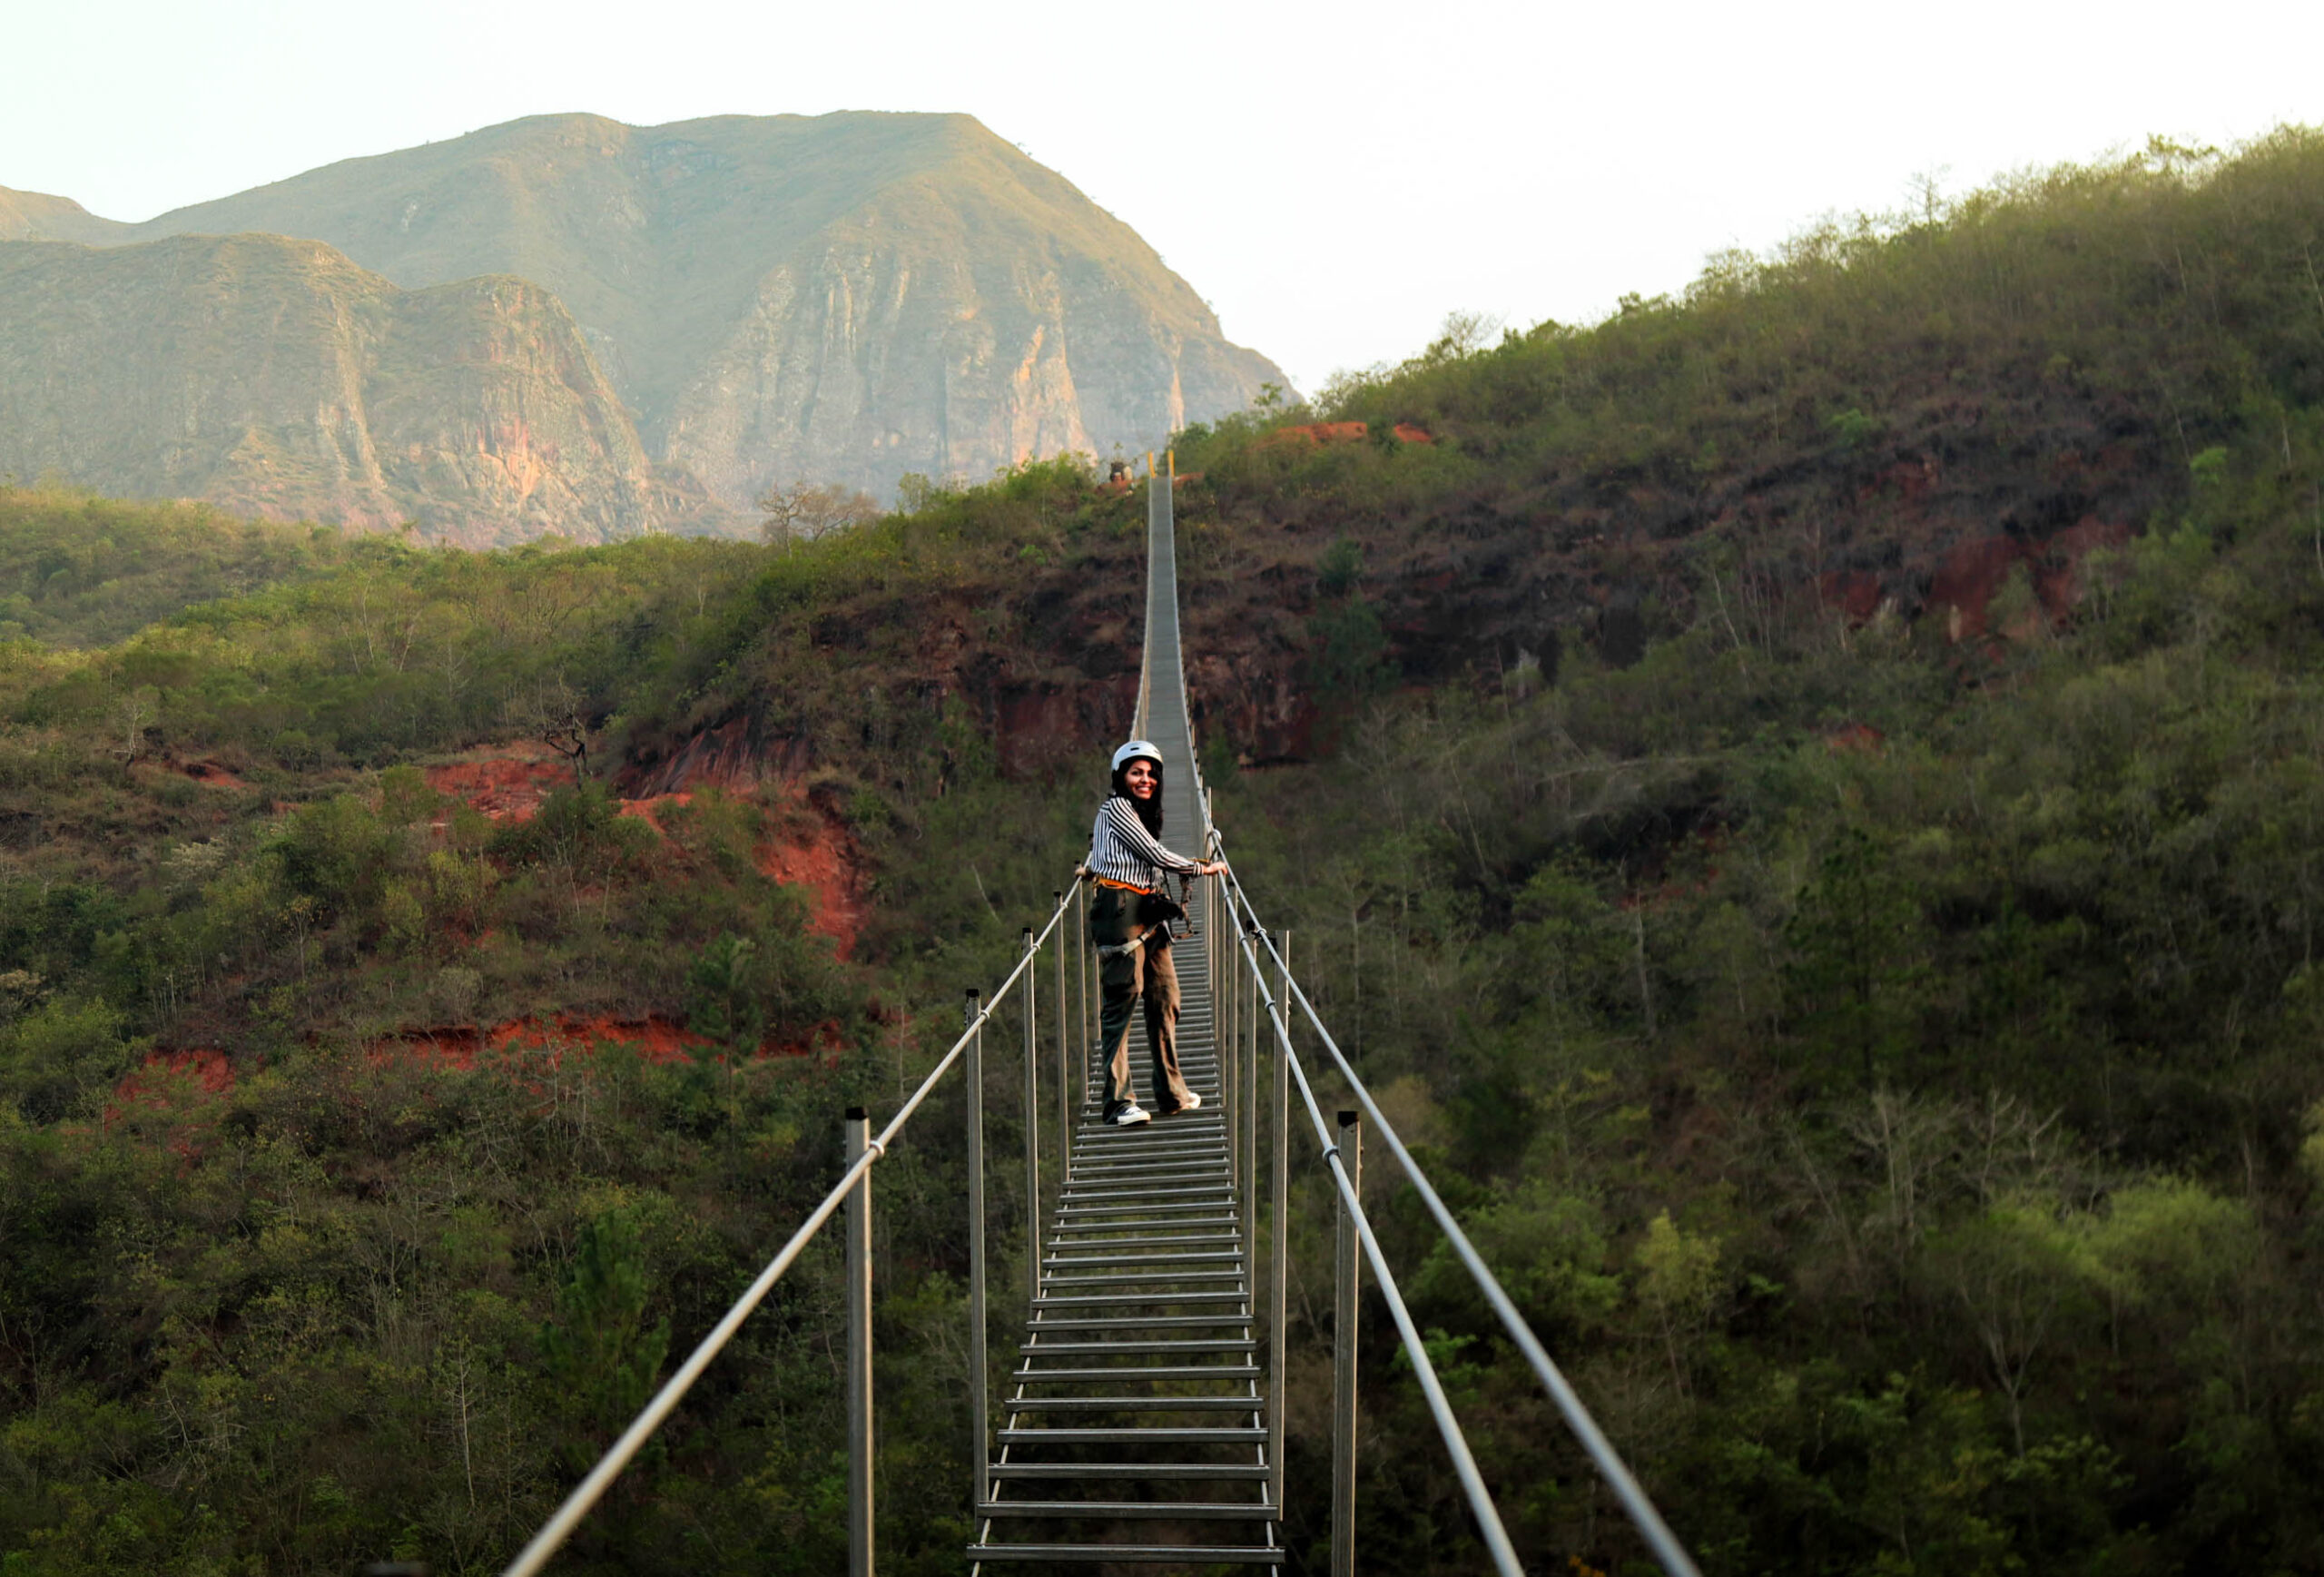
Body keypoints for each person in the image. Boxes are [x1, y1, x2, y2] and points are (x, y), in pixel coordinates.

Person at [1085, 739, 1225, 1127]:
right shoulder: (1116, 808)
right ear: (1120, 777)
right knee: (1123, 1001)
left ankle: (1170, 1091)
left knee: (1166, 997)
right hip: (1120, 913)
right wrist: (1203, 869)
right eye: (1136, 773)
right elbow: (1155, 854)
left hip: (1148, 912)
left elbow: (1108, 852)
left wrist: (1091, 865)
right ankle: (1117, 1103)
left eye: (1150, 774)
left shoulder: (1140, 812)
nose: (1145, 779)